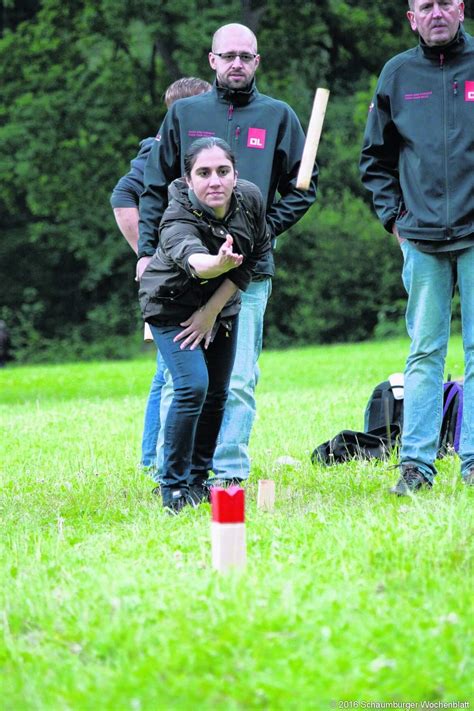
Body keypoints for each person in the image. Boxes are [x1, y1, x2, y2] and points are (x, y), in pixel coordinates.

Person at [138, 23, 318, 487]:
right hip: (183, 275)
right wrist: (145, 252)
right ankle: (169, 470)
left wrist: (261, 231)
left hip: (248, 275)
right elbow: (154, 187)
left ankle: (229, 470)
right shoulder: (184, 114)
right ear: (212, 60)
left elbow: (303, 188)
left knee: (236, 378)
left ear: (256, 62)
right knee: (179, 378)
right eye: (228, 55)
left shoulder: (279, 115)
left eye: (246, 55)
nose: (237, 63)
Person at [360, 0, 474, 494]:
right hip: (422, 240)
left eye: (445, 3)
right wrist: (394, 220)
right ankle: (416, 466)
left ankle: (472, 461)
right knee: (425, 353)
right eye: (425, 6)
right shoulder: (398, 74)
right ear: (412, 17)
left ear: (462, 8)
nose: (437, 13)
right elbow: (375, 159)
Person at [138, 137, 271, 513]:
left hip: (219, 305)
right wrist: (219, 262)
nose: (215, 181)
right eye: (204, 173)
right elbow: (195, 260)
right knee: (192, 386)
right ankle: (173, 486)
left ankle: (197, 480)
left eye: (222, 172)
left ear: (235, 174)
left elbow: (255, 255)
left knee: (217, 393)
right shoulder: (176, 216)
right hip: (171, 305)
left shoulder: (250, 200)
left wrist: (212, 310)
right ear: (189, 179)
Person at [110, 77, 212, 472]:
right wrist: (149, 255)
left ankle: (155, 457)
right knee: (173, 373)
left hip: (197, 270)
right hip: (171, 276)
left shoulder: (196, 152)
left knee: (167, 371)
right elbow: (122, 199)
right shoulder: (157, 149)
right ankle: (159, 462)